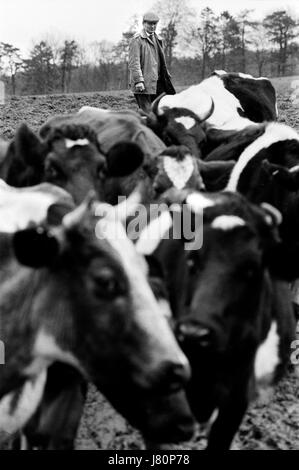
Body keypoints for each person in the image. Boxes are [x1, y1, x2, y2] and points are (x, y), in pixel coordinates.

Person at [128, 11, 175, 112]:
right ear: (143, 24)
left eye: (154, 24)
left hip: (158, 83)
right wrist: (139, 81)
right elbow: (134, 63)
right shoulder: (136, 40)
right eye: (149, 23)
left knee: (162, 111)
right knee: (147, 113)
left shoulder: (158, 39)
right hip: (143, 84)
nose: (152, 26)